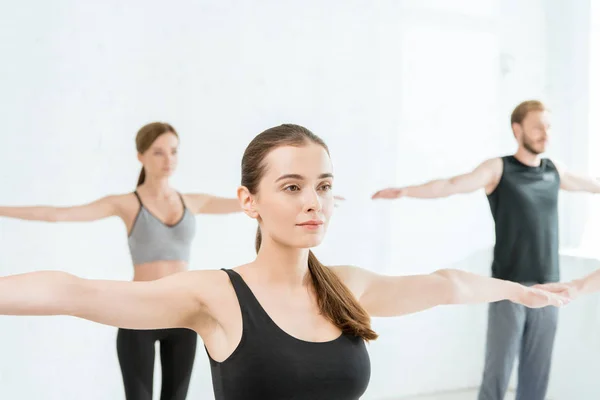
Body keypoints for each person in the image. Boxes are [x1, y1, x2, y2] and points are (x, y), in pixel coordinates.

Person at [0, 123, 571, 400]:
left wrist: (518, 291)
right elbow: (72, 291)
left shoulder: (348, 288)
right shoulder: (215, 296)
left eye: (322, 186)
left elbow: (446, 284)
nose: (312, 203)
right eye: (292, 186)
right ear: (249, 202)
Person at [371, 100, 600, 400]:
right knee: (498, 371)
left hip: (552, 286)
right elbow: (452, 185)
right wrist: (405, 191)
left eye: (548, 126)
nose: (545, 133)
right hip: (507, 286)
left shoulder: (553, 170)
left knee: (537, 374)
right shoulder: (499, 168)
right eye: (537, 127)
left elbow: (593, 184)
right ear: (517, 130)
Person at [0, 122, 243, 400]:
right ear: (140, 156)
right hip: (137, 311)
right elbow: (58, 213)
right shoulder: (127, 203)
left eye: (174, 152)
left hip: (183, 315)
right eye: (158, 153)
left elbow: (250, 202)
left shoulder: (193, 201)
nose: (169, 160)